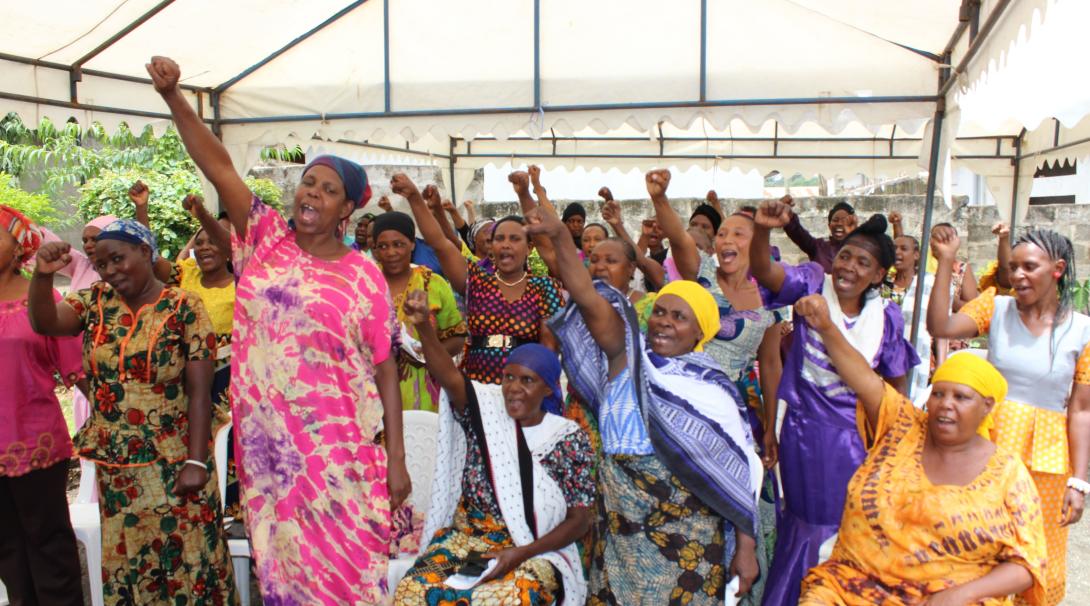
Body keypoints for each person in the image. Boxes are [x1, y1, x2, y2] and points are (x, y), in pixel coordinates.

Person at [147, 55, 409, 603]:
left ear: (347, 208)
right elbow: (219, 167)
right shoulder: (265, 239)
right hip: (271, 453)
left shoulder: (364, 276)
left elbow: (385, 367)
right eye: (307, 183)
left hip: (341, 451)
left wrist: (399, 460)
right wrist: (175, 98)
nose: (311, 193)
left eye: (328, 189)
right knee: (284, 576)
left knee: (348, 574)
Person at [538, 169, 763, 605]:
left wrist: (747, 548)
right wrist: (561, 240)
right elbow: (586, 295)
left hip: (690, 547)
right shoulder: (628, 358)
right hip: (621, 538)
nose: (663, 321)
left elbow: (736, 475)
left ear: (702, 330)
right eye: (661, 312)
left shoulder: (712, 390)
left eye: (680, 317)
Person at [30, 220, 236, 605]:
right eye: (103, 264)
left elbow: (198, 391)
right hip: (118, 467)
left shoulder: (184, 306)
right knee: (130, 560)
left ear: (145, 251)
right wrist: (42, 278)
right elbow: (46, 322)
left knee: (187, 559)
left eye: (118, 259)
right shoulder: (94, 302)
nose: (110, 271)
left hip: (173, 462)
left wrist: (196, 460)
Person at [795, 294, 1047, 605]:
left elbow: (1027, 564)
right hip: (853, 586)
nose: (945, 405)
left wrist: (959, 594)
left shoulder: (1007, 473)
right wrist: (827, 327)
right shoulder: (901, 426)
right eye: (939, 393)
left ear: (987, 406)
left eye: (961, 397)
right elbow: (862, 378)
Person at [749, 201, 918, 606]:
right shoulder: (811, 284)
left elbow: (895, 390)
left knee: (856, 523)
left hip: (861, 441)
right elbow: (765, 271)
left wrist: (897, 448)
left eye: (863, 263)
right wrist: (762, 232)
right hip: (807, 435)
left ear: (879, 275)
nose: (848, 267)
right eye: (845, 256)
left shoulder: (887, 318)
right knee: (814, 524)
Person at [394, 291, 593, 605]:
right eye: (508, 378)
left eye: (527, 380)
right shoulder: (485, 410)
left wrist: (520, 553)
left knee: (503, 598)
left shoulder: (566, 438)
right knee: (413, 592)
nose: (513, 388)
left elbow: (580, 520)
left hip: (532, 546)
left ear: (549, 388)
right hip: (466, 540)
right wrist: (424, 328)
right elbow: (448, 375)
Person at [927, 227, 1090, 605]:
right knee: (981, 544)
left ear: (1058, 269)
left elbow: (1081, 410)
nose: (1017, 276)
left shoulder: (1083, 330)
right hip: (988, 447)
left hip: (1046, 460)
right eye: (1013, 267)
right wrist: (947, 260)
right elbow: (941, 327)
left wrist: (1079, 482)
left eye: (1029, 267)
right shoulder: (995, 307)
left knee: (1039, 552)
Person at [394, 171, 564, 386]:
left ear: (529, 247)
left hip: (528, 391)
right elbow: (440, 243)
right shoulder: (477, 281)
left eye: (514, 239)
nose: (505, 244)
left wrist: (528, 390)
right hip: (477, 390)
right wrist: (414, 198)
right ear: (491, 246)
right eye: (499, 239)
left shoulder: (544, 287)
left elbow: (549, 347)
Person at [0, 206, 86, 606]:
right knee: (8, 554)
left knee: (50, 548)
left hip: (36, 442)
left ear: (20, 246)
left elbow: (77, 370)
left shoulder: (43, 298)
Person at [371, 210, 467, 412]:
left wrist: (426, 352)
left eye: (398, 244)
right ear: (375, 250)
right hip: (374, 390)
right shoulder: (365, 285)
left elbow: (457, 340)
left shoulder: (433, 283)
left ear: (412, 244)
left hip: (427, 389)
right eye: (383, 246)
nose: (391, 252)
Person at [882, 233, 936, 402]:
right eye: (894, 248)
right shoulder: (882, 283)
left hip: (916, 352)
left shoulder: (927, 283)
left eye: (903, 249)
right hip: (884, 354)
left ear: (916, 255)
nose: (897, 252)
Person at [783, 199, 857, 273]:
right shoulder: (818, 246)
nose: (839, 224)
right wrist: (788, 215)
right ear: (829, 225)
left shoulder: (859, 248)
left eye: (844, 221)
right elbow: (797, 232)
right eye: (835, 220)